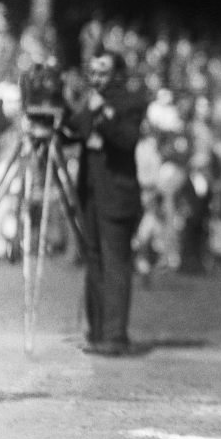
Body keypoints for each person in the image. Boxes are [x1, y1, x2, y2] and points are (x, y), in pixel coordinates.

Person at [66, 51, 148, 356]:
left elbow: (126, 140)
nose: (96, 78)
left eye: (102, 72)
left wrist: (104, 115)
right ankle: (97, 330)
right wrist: (61, 104)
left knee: (115, 264)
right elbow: (73, 130)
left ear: (116, 75)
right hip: (90, 195)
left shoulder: (130, 101)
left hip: (117, 195)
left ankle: (115, 335)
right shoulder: (91, 100)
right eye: (93, 72)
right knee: (94, 261)